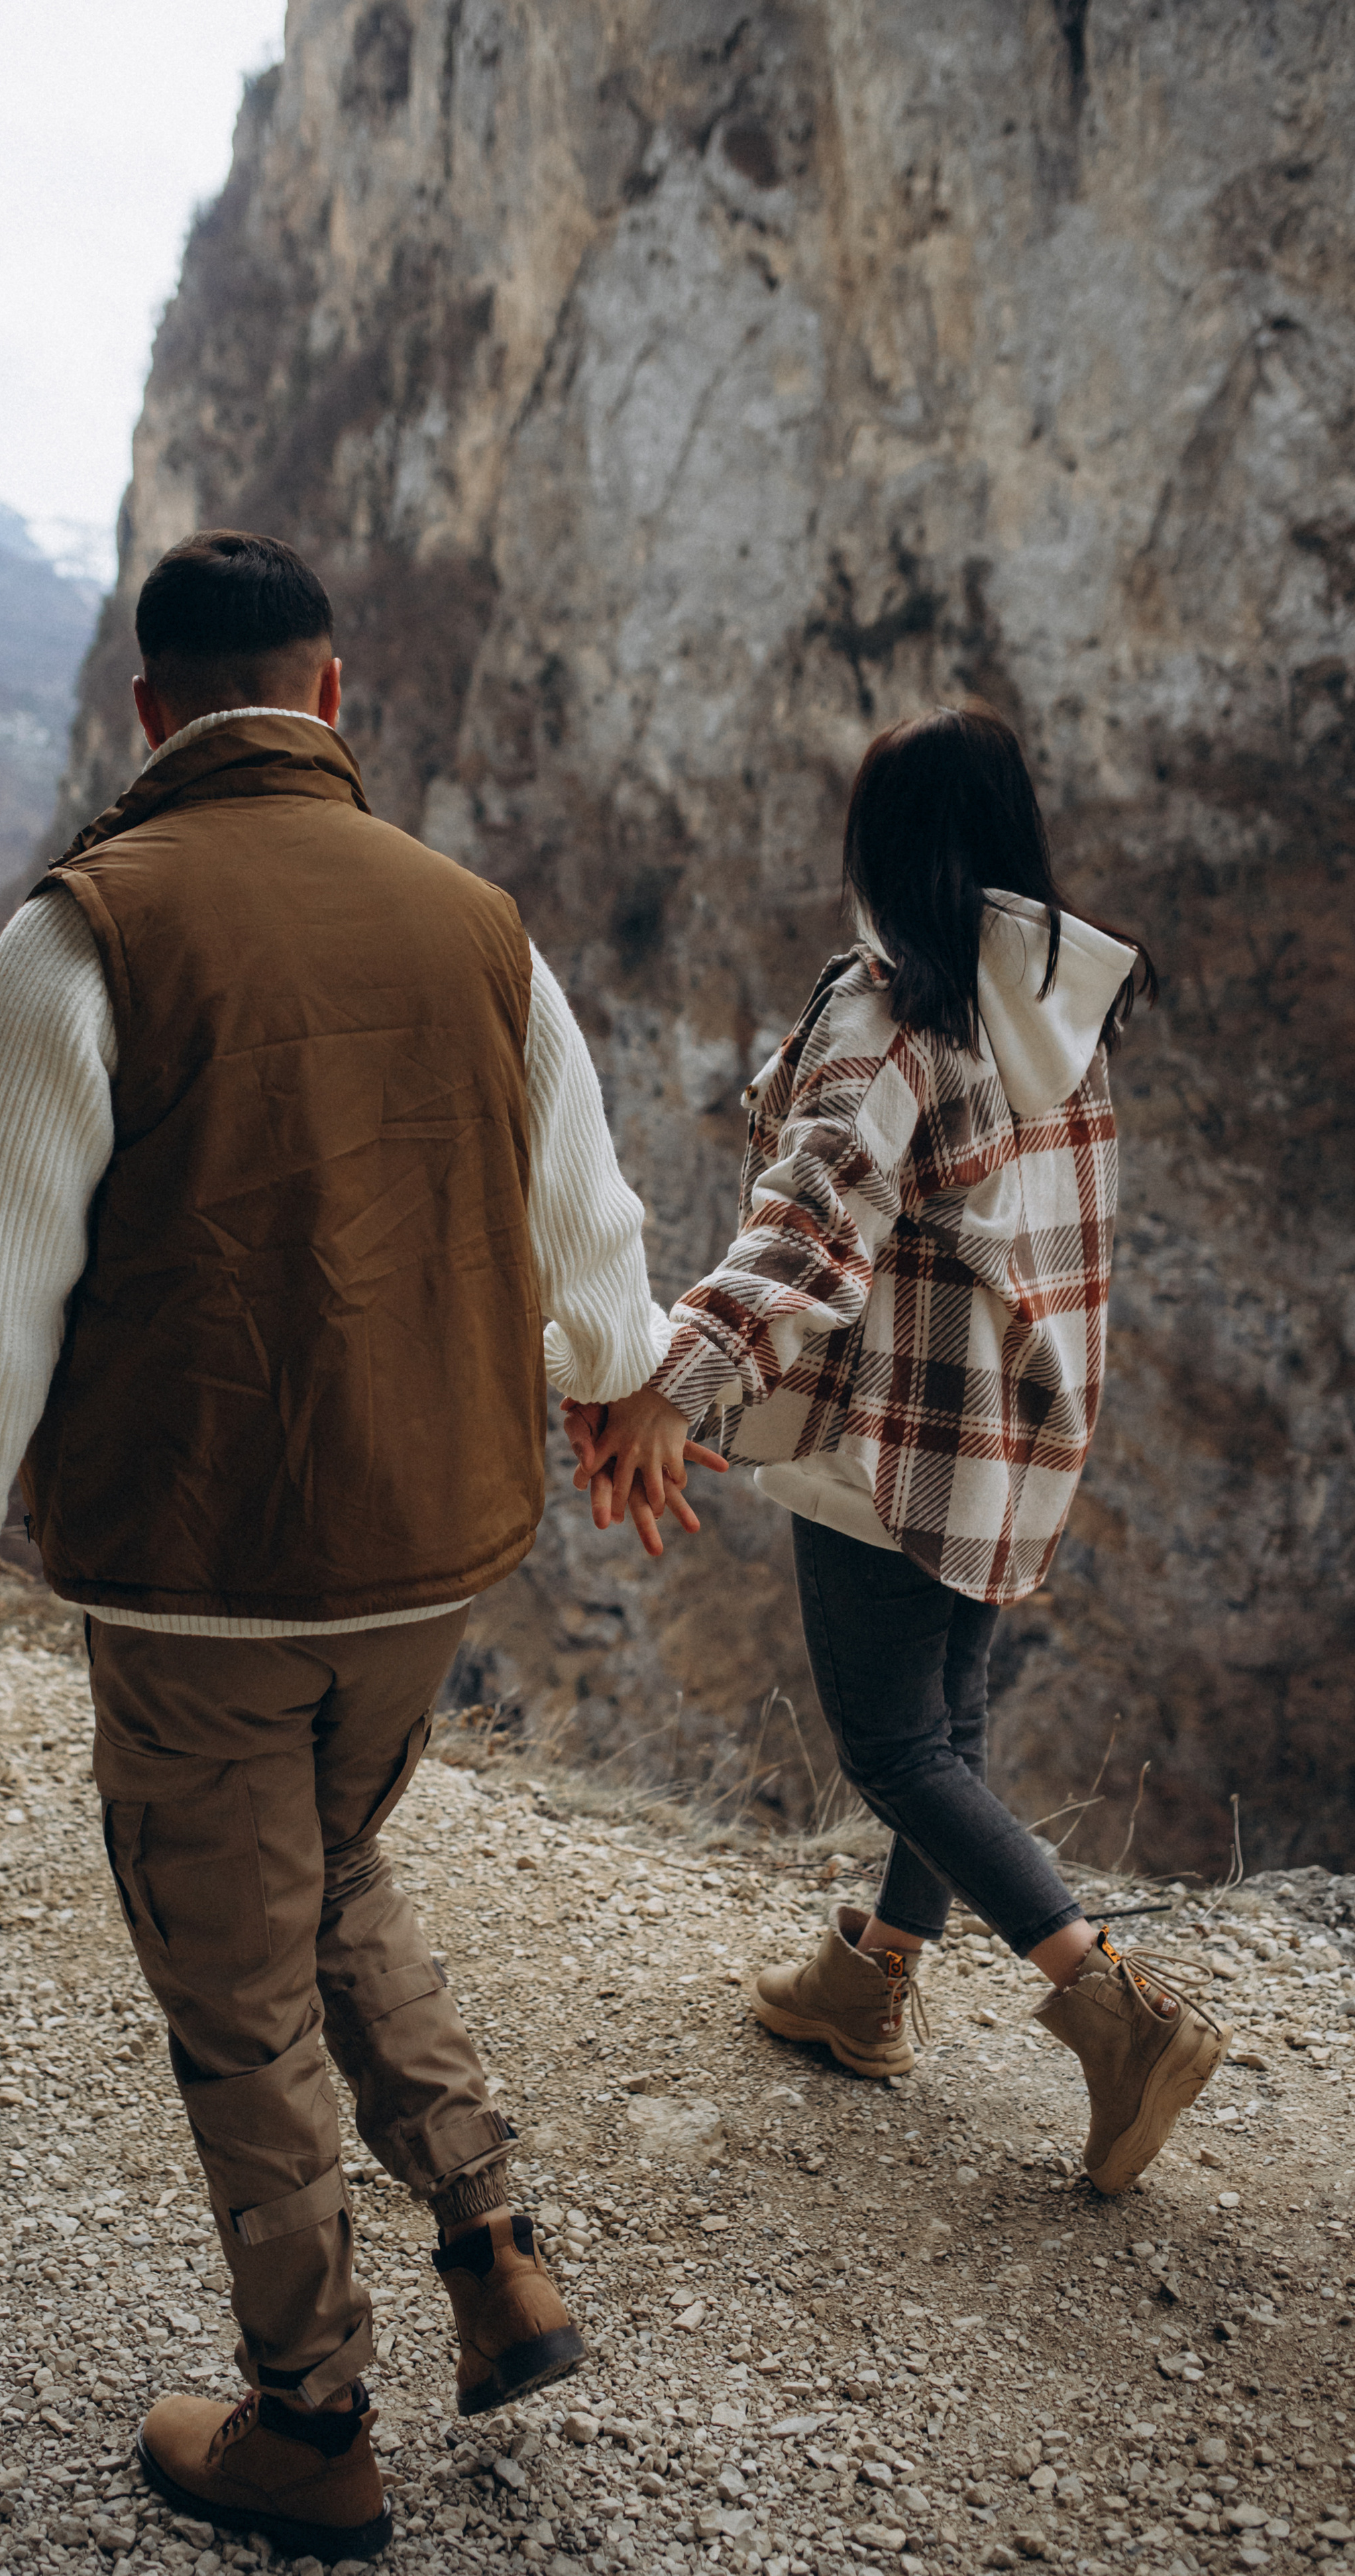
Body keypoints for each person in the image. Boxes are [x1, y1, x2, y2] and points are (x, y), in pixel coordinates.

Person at [0, 530, 724, 2562]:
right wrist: (615, 1376)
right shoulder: (484, 928)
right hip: (430, 1552)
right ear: (331, 699)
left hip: (204, 1570)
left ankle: (311, 2425)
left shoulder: (83, 941)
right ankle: (493, 2240)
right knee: (333, 1874)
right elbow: (588, 1234)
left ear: (152, 714)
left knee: (233, 1989)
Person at [567, 702, 1232, 2198]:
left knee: (891, 1747)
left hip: (900, 1444)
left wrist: (672, 1386)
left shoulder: (890, 1020)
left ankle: (1115, 2014)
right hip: (1022, 1434)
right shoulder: (1059, 1003)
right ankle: (870, 1986)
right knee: (952, 1730)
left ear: (881, 848)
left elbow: (806, 1231)